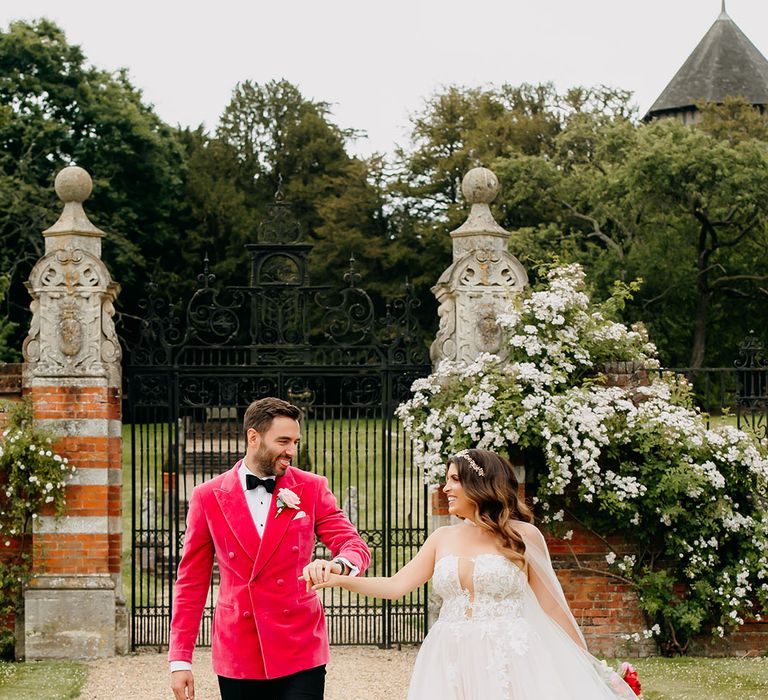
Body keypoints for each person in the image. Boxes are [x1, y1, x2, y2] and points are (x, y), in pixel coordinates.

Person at [304, 448, 638, 699]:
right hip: (449, 653)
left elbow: (552, 607)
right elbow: (395, 585)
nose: (445, 488)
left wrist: (586, 662)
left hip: (509, 653)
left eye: (453, 480)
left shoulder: (523, 536)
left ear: (479, 484)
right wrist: (338, 578)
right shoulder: (442, 538)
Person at [169, 397, 371, 700]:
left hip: (301, 645)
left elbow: (353, 544)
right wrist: (180, 659)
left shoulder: (312, 487)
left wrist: (339, 564)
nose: (292, 450)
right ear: (254, 437)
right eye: (283, 441)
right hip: (239, 648)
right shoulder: (208, 496)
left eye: (295, 441)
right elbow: (192, 582)